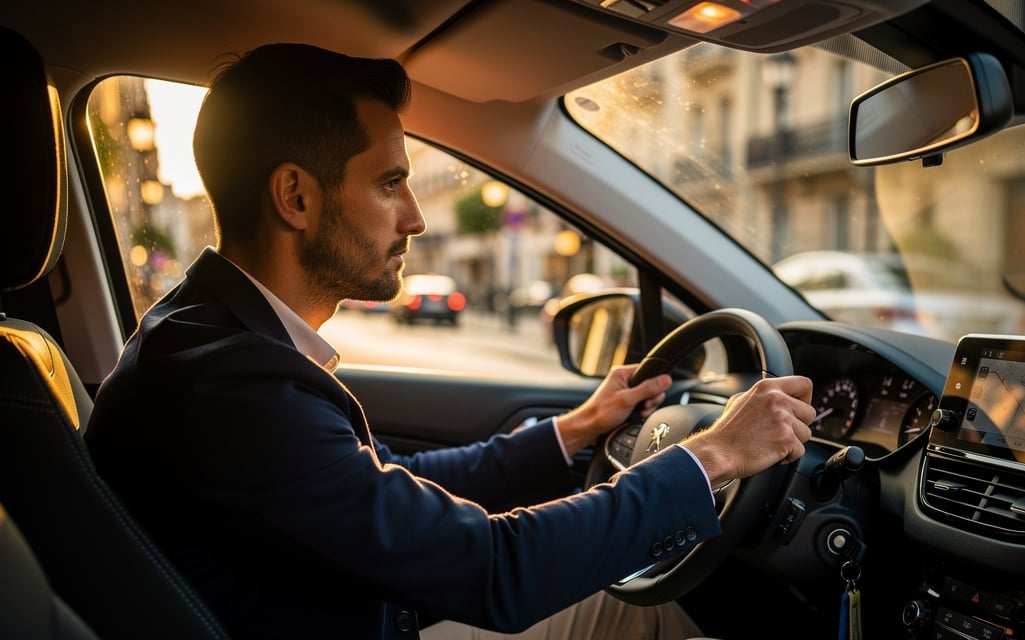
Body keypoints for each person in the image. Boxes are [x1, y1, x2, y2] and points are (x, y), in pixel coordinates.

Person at [84, 43, 816, 640]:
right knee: (659, 622)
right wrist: (713, 454)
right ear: (296, 198)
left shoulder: (204, 332)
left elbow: (388, 483)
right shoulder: (233, 390)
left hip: (352, 612)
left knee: (636, 607)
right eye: (389, 183)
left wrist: (571, 431)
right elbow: (494, 572)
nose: (415, 217)